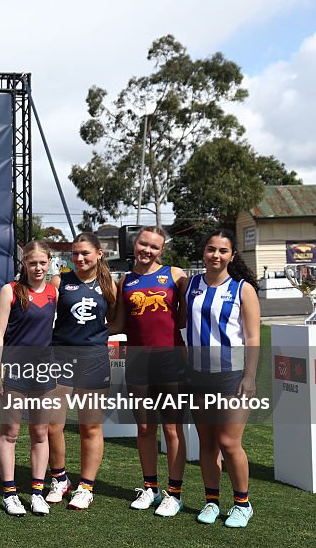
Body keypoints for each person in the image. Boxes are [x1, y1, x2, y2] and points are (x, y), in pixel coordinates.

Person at [184, 230, 260, 528]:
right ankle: (212, 501)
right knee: (207, 444)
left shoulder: (243, 289)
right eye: (210, 249)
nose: (215, 255)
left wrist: (250, 377)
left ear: (232, 255)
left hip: (232, 376)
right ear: (204, 252)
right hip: (197, 376)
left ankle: (242, 503)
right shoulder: (190, 285)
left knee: (229, 442)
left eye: (222, 251)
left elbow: (253, 337)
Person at [111, 226, 188, 517]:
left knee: (171, 428)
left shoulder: (175, 275)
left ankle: (175, 493)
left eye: (154, 247)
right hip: (137, 361)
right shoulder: (125, 281)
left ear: (161, 251)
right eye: (144, 244)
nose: (147, 250)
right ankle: (150, 488)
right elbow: (118, 325)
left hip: (170, 361)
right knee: (144, 428)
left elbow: (184, 316)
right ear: (135, 244)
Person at [45, 232, 117, 511]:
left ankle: (86, 486)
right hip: (60, 359)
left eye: (85, 253)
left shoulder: (108, 283)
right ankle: (59, 479)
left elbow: (117, 321)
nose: (79, 258)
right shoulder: (59, 280)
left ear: (99, 253)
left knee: (90, 426)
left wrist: (93, 339)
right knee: (53, 424)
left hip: (95, 361)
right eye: (75, 253)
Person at [0, 241, 57, 517]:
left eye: (43, 262)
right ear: (24, 264)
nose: (38, 268)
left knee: (40, 433)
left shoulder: (54, 292)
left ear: (49, 262)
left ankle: (37, 492)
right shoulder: (10, 291)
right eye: (32, 263)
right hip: (15, 371)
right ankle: (10, 494)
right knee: (10, 433)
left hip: (44, 372)